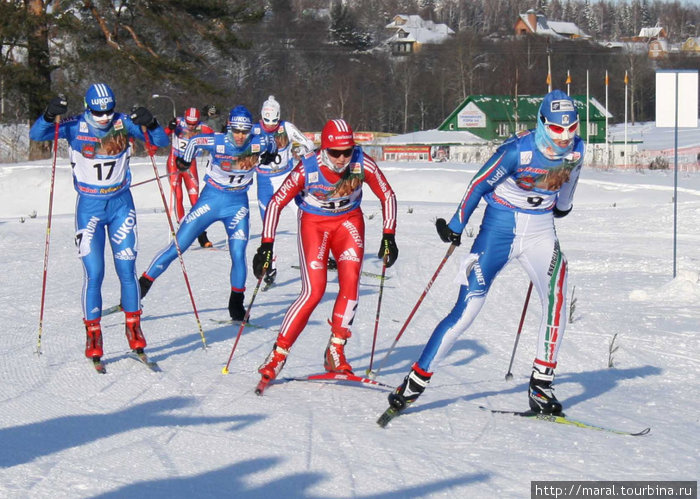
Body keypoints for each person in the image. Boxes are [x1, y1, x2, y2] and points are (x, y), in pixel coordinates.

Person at [386, 89, 585, 417]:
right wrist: (456, 225)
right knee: (467, 309)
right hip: (499, 229)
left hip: (540, 232)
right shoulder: (518, 151)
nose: (565, 137)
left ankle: (541, 385)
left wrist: (563, 206)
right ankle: (416, 380)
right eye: (557, 129)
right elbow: (479, 183)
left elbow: (570, 183)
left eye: (572, 128)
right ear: (542, 123)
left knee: (557, 295)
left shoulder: (577, 149)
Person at [253, 118, 399, 390]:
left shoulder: (361, 162)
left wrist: (389, 235)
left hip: (348, 222)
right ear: (324, 149)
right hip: (315, 224)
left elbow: (387, 195)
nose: (343, 158)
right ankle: (277, 357)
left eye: (347, 151)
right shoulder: (308, 167)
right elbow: (276, 203)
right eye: (335, 152)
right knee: (314, 291)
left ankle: (336, 350)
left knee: (351, 283)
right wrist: (266, 246)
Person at [28, 83, 169, 363]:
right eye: (98, 112)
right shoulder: (74, 125)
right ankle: (93, 333)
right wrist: (47, 115)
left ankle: (134, 327)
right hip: (90, 208)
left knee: (127, 269)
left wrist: (151, 123)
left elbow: (161, 142)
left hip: (120, 205)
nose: (104, 117)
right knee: (95, 273)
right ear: (87, 106)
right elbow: (36, 135)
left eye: (108, 111)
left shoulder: (122, 123)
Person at [138, 106, 275, 321]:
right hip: (211, 201)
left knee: (238, 253)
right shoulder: (218, 141)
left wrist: (270, 155)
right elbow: (194, 141)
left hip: (237, 205)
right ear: (229, 127)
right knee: (178, 246)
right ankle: (141, 287)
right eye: (236, 131)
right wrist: (184, 160)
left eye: (244, 132)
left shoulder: (259, 141)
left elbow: (272, 142)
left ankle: (236, 305)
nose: (240, 136)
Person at [252, 95, 316, 286]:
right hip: (264, 182)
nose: (270, 126)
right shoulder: (254, 130)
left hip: (286, 179)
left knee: (305, 216)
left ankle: (321, 254)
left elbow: (308, 142)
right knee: (268, 226)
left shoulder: (286, 127)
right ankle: (268, 265)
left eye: (273, 121)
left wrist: (302, 149)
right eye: (266, 121)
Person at [165, 107, 216, 247]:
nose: (191, 126)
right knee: (179, 196)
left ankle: (201, 234)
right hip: (174, 162)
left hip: (190, 164)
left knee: (195, 200)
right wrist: (169, 128)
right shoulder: (178, 122)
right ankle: (182, 231)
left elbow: (218, 138)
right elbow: (163, 137)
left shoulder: (203, 128)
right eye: (189, 123)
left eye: (194, 123)